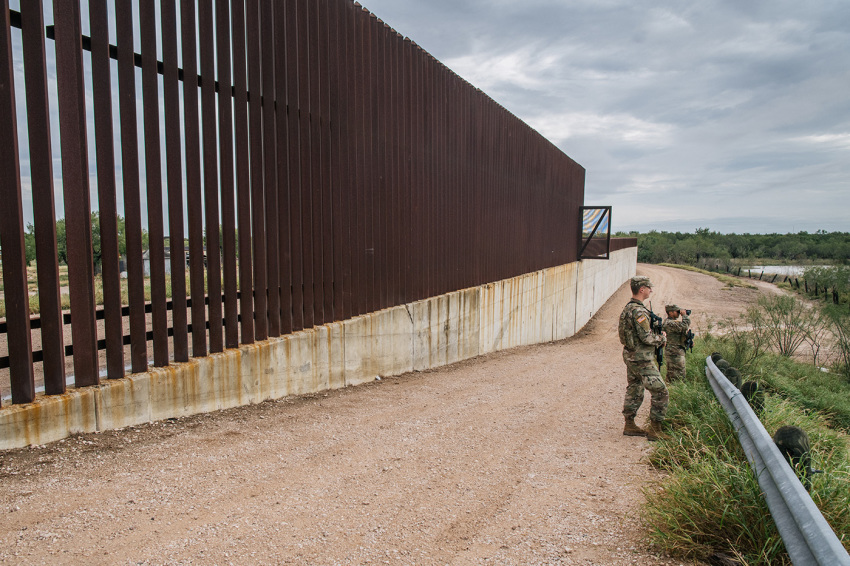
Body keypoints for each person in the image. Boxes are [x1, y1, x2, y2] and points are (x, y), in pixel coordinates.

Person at [618, 276, 669, 440]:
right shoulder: (639, 311)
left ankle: (630, 424)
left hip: (631, 355)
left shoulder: (628, 308)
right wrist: (662, 338)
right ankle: (655, 429)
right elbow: (646, 337)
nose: (651, 290)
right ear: (642, 289)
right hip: (641, 358)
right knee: (661, 391)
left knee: (635, 387)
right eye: (649, 287)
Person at [662, 305, 691, 383]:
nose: (679, 313)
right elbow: (685, 326)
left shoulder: (673, 323)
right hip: (674, 353)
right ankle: (673, 391)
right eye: (677, 311)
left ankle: (673, 390)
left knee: (677, 375)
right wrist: (684, 316)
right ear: (670, 312)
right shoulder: (669, 323)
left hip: (676, 352)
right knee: (676, 376)